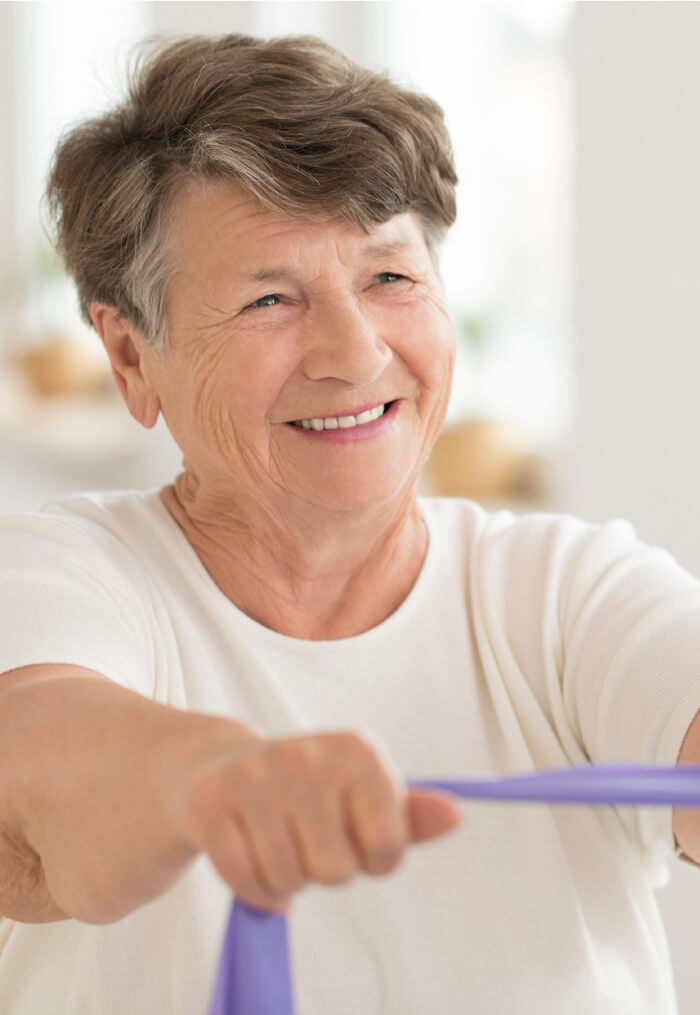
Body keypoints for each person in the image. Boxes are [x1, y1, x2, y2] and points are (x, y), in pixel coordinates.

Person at [1, 33, 699, 1015]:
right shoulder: (65, 576)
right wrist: (219, 784)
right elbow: (33, 775)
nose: (354, 350)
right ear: (129, 357)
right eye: (269, 298)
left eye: (389, 278)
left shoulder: (564, 594)